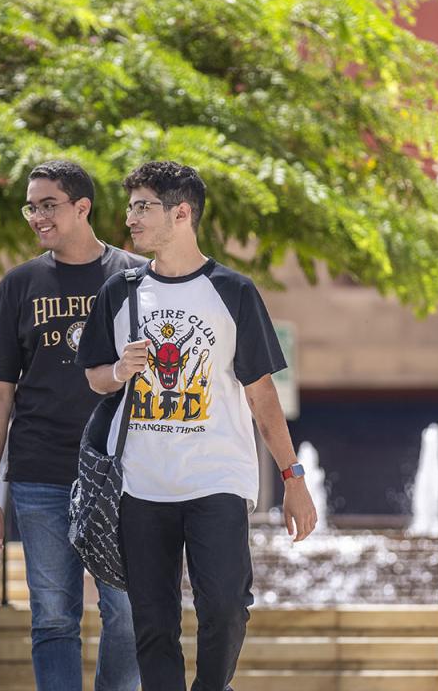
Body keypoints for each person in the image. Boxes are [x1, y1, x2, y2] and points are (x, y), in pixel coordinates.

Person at [78, 161, 318, 691]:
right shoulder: (121, 291)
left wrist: (293, 477)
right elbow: (96, 377)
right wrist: (120, 370)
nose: (131, 218)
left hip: (217, 479)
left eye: (144, 207)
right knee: (153, 625)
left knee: (228, 608)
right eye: (131, 206)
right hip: (141, 485)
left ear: (181, 213)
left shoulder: (233, 291)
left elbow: (262, 395)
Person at [0, 160, 145, 691]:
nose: (37, 216)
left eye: (48, 204)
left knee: (129, 609)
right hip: (40, 469)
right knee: (52, 617)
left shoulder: (137, 277)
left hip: (123, 469)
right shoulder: (20, 284)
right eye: (31, 206)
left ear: (82, 207)